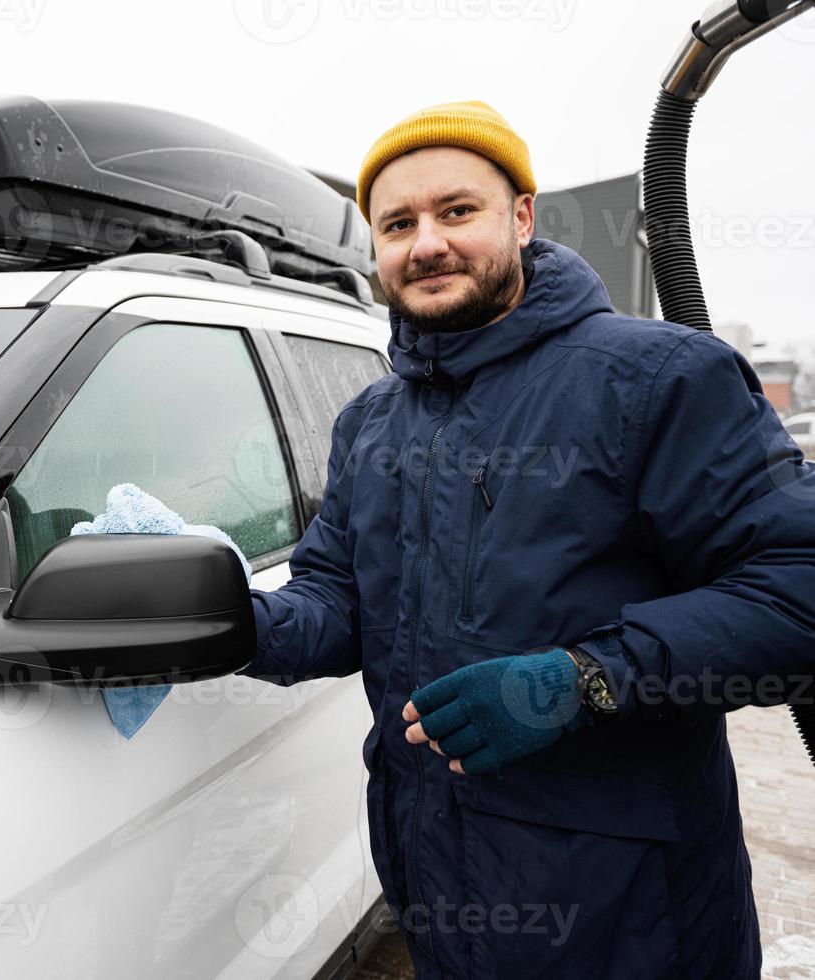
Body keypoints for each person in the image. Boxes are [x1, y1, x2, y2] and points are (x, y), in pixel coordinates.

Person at [237, 99, 815, 979]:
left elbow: (796, 589)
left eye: (456, 210)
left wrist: (580, 682)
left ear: (522, 216)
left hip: (631, 920)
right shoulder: (371, 421)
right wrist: (234, 622)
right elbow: (334, 601)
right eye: (398, 223)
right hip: (439, 892)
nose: (425, 242)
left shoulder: (657, 378)